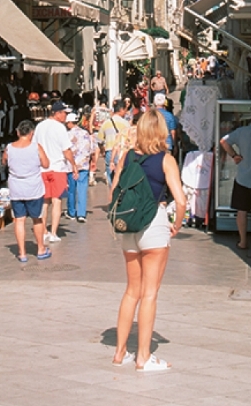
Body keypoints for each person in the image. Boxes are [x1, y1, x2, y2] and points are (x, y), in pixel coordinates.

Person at [110, 110, 187, 371]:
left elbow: (115, 189)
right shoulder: (166, 160)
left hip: (129, 226)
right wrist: (176, 224)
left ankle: (120, 352)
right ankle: (143, 356)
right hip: (154, 224)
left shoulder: (127, 156)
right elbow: (180, 200)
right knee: (150, 294)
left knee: (132, 291)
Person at [219, 108, 251, 249]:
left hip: (242, 177)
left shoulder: (242, 131)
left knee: (241, 210)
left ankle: (242, 241)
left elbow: (223, 141)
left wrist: (234, 155)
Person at [2, 120, 52, 262]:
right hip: (33, 188)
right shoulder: (36, 147)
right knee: (37, 219)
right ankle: (41, 249)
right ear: (31, 133)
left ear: (18, 132)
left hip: (16, 189)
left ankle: (22, 253)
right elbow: (46, 164)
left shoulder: (9, 148)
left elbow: (4, 162)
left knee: (19, 220)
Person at [34, 101, 79, 243]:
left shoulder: (39, 126)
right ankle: (53, 232)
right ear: (57, 113)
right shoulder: (60, 128)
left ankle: (44, 231)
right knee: (57, 200)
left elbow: (35, 146)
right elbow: (66, 150)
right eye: (65, 113)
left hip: (42, 168)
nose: (66, 116)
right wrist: (74, 165)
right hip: (58, 167)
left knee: (44, 201)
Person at [64, 112, 97, 223]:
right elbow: (92, 150)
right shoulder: (86, 134)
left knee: (71, 190)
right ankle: (81, 214)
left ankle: (72, 212)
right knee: (82, 190)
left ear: (70, 122)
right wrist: (92, 162)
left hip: (71, 166)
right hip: (83, 165)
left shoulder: (67, 135)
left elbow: (65, 151)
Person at [98, 98, 130, 191]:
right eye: (125, 110)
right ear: (121, 110)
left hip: (109, 151)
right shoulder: (126, 124)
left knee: (110, 175)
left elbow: (99, 140)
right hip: (122, 152)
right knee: (122, 174)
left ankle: (112, 193)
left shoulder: (106, 123)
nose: (126, 112)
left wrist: (102, 151)